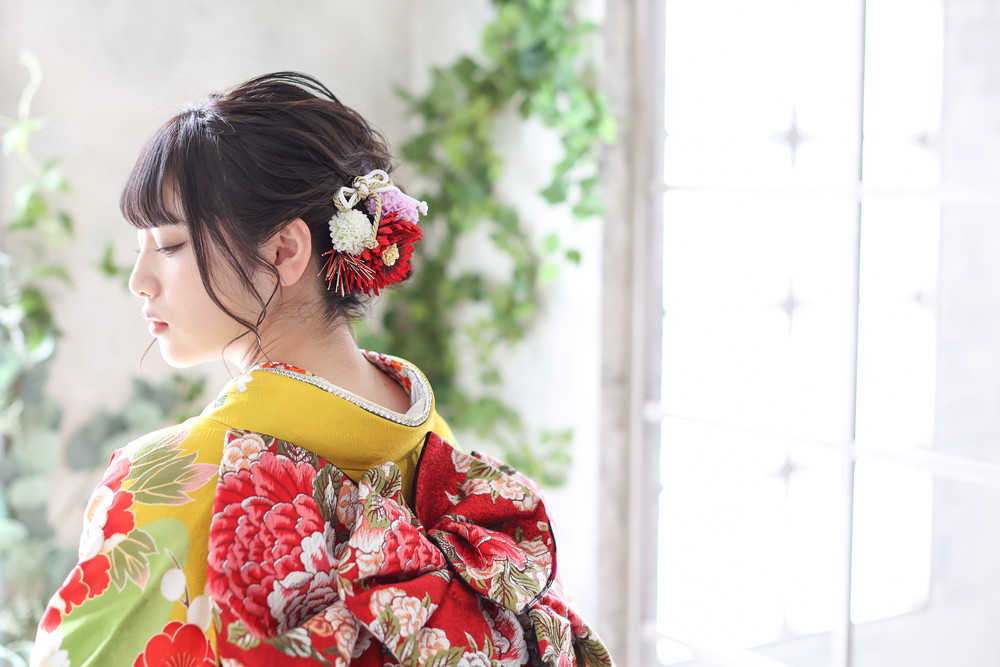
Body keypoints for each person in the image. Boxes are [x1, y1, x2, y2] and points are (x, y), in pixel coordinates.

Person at [31, 72, 612, 666]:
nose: (140, 280)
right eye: (140, 246)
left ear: (284, 251)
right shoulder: (439, 457)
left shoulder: (170, 478)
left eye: (170, 244)